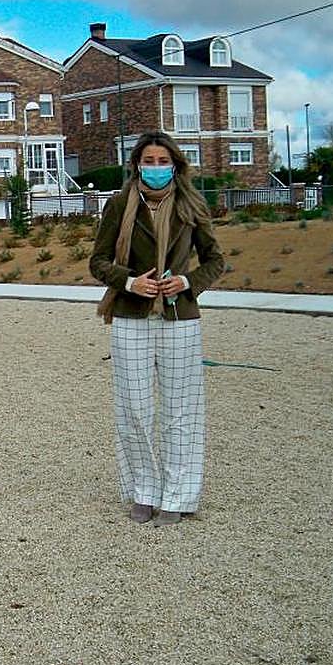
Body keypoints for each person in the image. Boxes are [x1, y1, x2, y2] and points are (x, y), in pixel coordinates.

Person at [89, 132, 225, 527]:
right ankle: (144, 492)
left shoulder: (191, 205)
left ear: (175, 165)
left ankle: (179, 495)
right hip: (131, 315)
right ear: (136, 165)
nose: (155, 167)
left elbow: (215, 260)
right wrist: (131, 282)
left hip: (178, 317)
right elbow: (97, 261)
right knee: (134, 408)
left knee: (181, 412)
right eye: (148, 161)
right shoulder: (118, 205)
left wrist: (187, 282)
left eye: (162, 160)